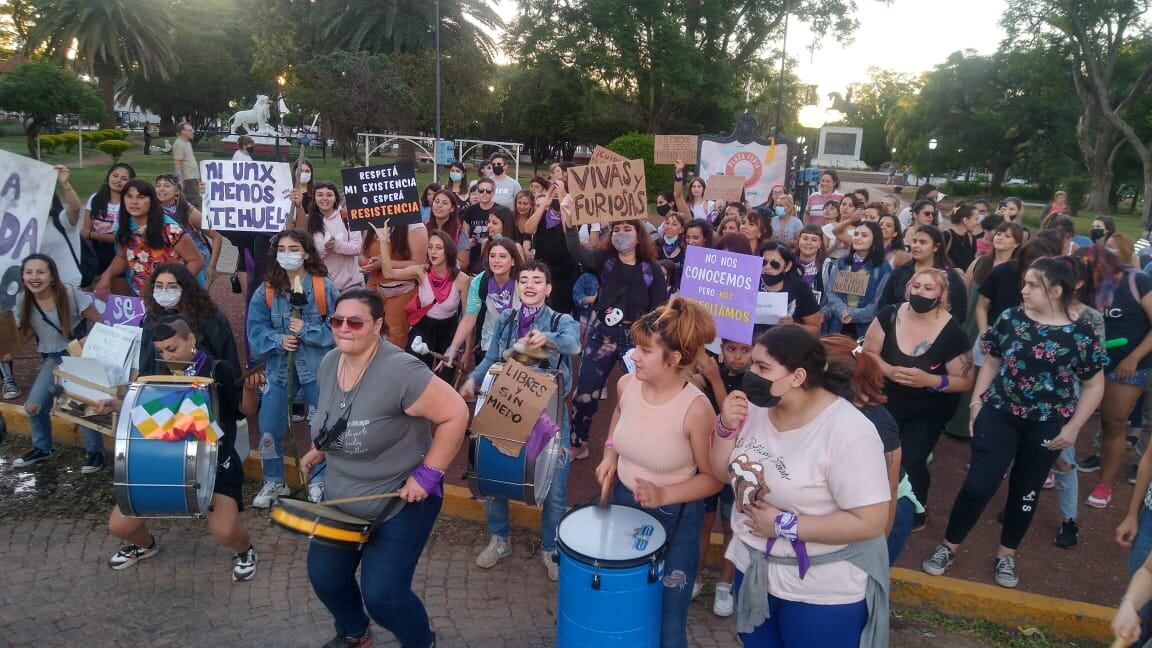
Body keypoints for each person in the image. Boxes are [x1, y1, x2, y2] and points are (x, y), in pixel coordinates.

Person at [298, 288, 468, 648]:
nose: (344, 328)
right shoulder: (331, 362)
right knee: (325, 576)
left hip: (398, 504)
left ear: (377, 325)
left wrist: (428, 474)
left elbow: (456, 412)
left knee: (384, 596)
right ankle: (355, 633)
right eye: (337, 321)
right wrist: (320, 448)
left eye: (355, 322)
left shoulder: (401, 370)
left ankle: (421, 642)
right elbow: (343, 417)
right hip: (341, 500)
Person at [922, 258, 1106, 588]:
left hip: (1048, 424)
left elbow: (1094, 385)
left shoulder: (1082, 333)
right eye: (1025, 283)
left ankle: (1006, 554)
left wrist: (1074, 426)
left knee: (1026, 489)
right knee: (979, 484)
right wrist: (978, 401)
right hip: (1000, 413)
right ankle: (948, 546)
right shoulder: (1011, 319)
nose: (1024, 290)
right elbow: (992, 361)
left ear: (1056, 290)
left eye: (1033, 285)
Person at [709, 325, 891, 647]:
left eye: (763, 367)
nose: (751, 373)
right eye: (753, 363)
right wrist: (724, 427)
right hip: (753, 570)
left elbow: (871, 521)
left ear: (797, 377)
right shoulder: (754, 408)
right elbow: (725, 475)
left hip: (820, 590)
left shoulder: (849, 432)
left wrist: (783, 525)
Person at [596, 297, 723, 647]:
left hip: (674, 518)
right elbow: (619, 417)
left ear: (675, 358)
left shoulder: (697, 409)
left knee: (667, 620)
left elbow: (713, 478)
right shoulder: (628, 384)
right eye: (636, 348)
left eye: (645, 350)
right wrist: (610, 454)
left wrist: (664, 494)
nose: (634, 356)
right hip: (622, 504)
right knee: (622, 602)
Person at [104, 316, 259, 581]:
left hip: (215, 462)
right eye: (161, 351)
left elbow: (246, 410)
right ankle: (145, 546)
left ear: (191, 340)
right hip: (166, 460)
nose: (167, 356)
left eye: (172, 349)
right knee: (119, 525)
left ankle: (245, 551)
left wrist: (249, 388)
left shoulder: (217, 370)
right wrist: (116, 406)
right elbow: (149, 413)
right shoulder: (156, 374)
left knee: (225, 532)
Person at [459, 261, 580, 580]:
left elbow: (573, 344)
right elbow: (491, 357)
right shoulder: (507, 319)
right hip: (506, 404)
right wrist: (473, 379)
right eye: (523, 279)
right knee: (494, 473)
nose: (529, 285)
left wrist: (547, 338)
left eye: (537, 280)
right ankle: (500, 539)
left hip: (549, 414)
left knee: (555, 483)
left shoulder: (560, 320)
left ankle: (550, 547)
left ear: (548, 288)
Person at [864, 268, 974, 530]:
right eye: (916, 286)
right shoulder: (889, 315)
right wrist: (888, 370)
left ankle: (915, 507)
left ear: (942, 294)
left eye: (928, 288)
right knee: (875, 453)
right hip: (884, 401)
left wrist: (930, 381)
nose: (920, 293)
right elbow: (867, 353)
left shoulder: (952, 331)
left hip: (927, 410)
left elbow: (965, 380)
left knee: (912, 459)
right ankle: (872, 502)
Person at [562, 196, 668, 456]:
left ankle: (635, 447)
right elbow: (578, 251)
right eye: (617, 229)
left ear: (639, 234)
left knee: (640, 396)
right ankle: (579, 442)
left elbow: (660, 310)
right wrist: (570, 226)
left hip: (638, 340)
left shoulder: (651, 270)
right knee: (584, 392)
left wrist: (651, 342)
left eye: (627, 229)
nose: (621, 233)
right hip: (603, 335)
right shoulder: (603, 260)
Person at [246, 230, 341, 508]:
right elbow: (255, 329)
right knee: (268, 427)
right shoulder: (266, 290)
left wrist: (308, 330)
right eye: (282, 248)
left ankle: (319, 480)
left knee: (319, 426)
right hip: (279, 371)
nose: (287, 254)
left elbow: (339, 327)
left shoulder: (324, 288)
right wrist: (277, 340)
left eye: (294, 248)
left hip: (316, 370)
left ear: (306, 253)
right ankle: (274, 480)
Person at [8, 254, 103, 470]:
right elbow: (24, 334)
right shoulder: (23, 299)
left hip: (78, 356)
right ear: (22, 277)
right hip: (52, 358)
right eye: (29, 272)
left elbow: (99, 321)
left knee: (82, 404)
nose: (34, 277)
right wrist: (9, 348)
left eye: (40, 272)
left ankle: (95, 453)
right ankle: (42, 448)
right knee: (33, 406)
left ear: (52, 276)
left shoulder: (70, 293)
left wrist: (86, 341)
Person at [1084, 245, 1152, 509]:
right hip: (1090, 362)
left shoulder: (1137, 281)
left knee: (1113, 423)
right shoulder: (1086, 285)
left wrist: (1133, 357)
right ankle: (1053, 467)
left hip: (1128, 365)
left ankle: (1104, 485)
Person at [693, 337, 752, 617]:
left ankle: (725, 586)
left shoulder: (754, 381)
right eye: (731, 349)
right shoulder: (712, 372)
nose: (737, 357)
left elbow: (733, 419)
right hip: (707, 460)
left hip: (736, 466)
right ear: (722, 349)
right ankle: (694, 575)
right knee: (702, 522)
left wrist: (715, 381)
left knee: (731, 527)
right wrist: (697, 379)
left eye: (745, 350)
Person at [93, 178, 205, 299]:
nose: (134, 202)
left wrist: (170, 287)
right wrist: (107, 275)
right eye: (129, 196)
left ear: (152, 201)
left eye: (141, 197)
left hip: (176, 297)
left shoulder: (170, 229)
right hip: (144, 298)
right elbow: (122, 257)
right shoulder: (124, 226)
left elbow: (196, 261)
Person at [140, 263, 240, 378]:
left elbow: (227, 357)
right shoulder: (152, 317)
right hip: (162, 389)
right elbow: (146, 364)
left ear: (185, 288)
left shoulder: (210, 317)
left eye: (172, 287)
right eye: (159, 286)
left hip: (205, 386)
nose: (164, 291)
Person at [880, 225, 968, 322]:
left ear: (936, 247)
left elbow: (959, 314)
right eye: (914, 241)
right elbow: (885, 304)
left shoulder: (949, 276)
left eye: (922, 242)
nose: (916, 245)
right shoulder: (900, 272)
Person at [822, 221, 892, 337]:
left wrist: (852, 314)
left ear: (875, 240)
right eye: (856, 234)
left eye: (864, 235)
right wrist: (841, 310)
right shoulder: (842, 263)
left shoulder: (883, 268)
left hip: (865, 330)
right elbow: (832, 293)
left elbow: (879, 304)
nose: (858, 238)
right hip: (837, 326)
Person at [522, 174, 578, 314]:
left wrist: (563, 200)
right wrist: (544, 205)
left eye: (559, 189)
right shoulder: (543, 213)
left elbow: (568, 230)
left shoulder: (573, 213)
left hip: (564, 273)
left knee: (560, 312)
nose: (555, 193)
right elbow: (528, 229)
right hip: (542, 270)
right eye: (553, 189)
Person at [155, 173, 221, 288]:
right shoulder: (152, 210)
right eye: (158, 185)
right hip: (169, 262)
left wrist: (212, 267)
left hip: (196, 260)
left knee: (195, 299)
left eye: (166, 185)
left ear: (176, 191)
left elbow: (216, 237)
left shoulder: (188, 210)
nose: (161, 189)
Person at [82, 162, 136, 292]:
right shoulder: (95, 198)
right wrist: (90, 263)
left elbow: (121, 238)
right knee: (95, 296)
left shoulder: (131, 203)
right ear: (108, 177)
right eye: (115, 176)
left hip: (120, 255)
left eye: (124, 179)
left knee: (119, 297)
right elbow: (85, 231)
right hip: (94, 254)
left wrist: (93, 234)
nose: (118, 180)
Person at [304, 181, 364, 292]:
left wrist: (336, 245)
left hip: (350, 285)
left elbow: (358, 248)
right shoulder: (308, 220)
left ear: (336, 197)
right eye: (320, 195)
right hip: (321, 285)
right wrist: (324, 249)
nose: (324, 198)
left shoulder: (347, 217)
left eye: (329, 195)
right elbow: (305, 252)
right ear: (314, 198)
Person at [757, 241, 822, 335]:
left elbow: (815, 329)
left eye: (774, 264)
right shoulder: (751, 283)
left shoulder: (799, 288)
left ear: (787, 266)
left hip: (786, 345)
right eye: (764, 262)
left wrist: (793, 326)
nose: (767, 267)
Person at [461, 177, 513, 274]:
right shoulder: (469, 211)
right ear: (477, 191)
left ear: (493, 192)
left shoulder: (500, 211)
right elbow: (465, 236)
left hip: (497, 252)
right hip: (474, 255)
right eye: (481, 190)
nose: (484, 193)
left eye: (488, 191)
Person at [426, 188, 471, 271]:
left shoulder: (459, 232)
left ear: (452, 208)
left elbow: (463, 264)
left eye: (445, 203)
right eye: (436, 201)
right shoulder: (424, 227)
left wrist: (441, 265)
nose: (439, 205)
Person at [942, 203, 979, 272]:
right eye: (976, 219)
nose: (978, 223)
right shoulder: (946, 236)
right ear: (965, 220)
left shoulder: (971, 238)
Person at [171, 122, 201, 207]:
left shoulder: (187, 143)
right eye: (190, 130)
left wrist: (198, 179)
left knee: (194, 200)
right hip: (187, 179)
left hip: (193, 177)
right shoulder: (179, 144)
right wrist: (180, 180)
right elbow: (177, 163)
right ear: (182, 132)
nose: (193, 132)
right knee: (191, 202)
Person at [658, 211, 688, 290]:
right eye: (667, 223)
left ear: (681, 229)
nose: (669, 227)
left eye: (674, 224)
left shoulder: (686, 248)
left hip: (679, 291)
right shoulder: (655, 245)